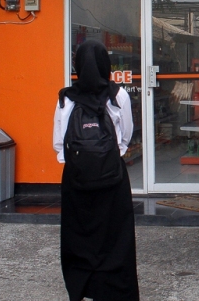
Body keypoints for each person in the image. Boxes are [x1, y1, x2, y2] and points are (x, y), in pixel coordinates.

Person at [52, 39, 140, 300]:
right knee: (117, 236)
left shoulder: (65, 99)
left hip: (77, 180)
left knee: (79, 236)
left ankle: (82, 287)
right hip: (112, 178)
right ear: (106, 65)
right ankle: (115, 289)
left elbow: (59, 143)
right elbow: (125, 137)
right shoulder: (118, 95)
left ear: (77, 65)